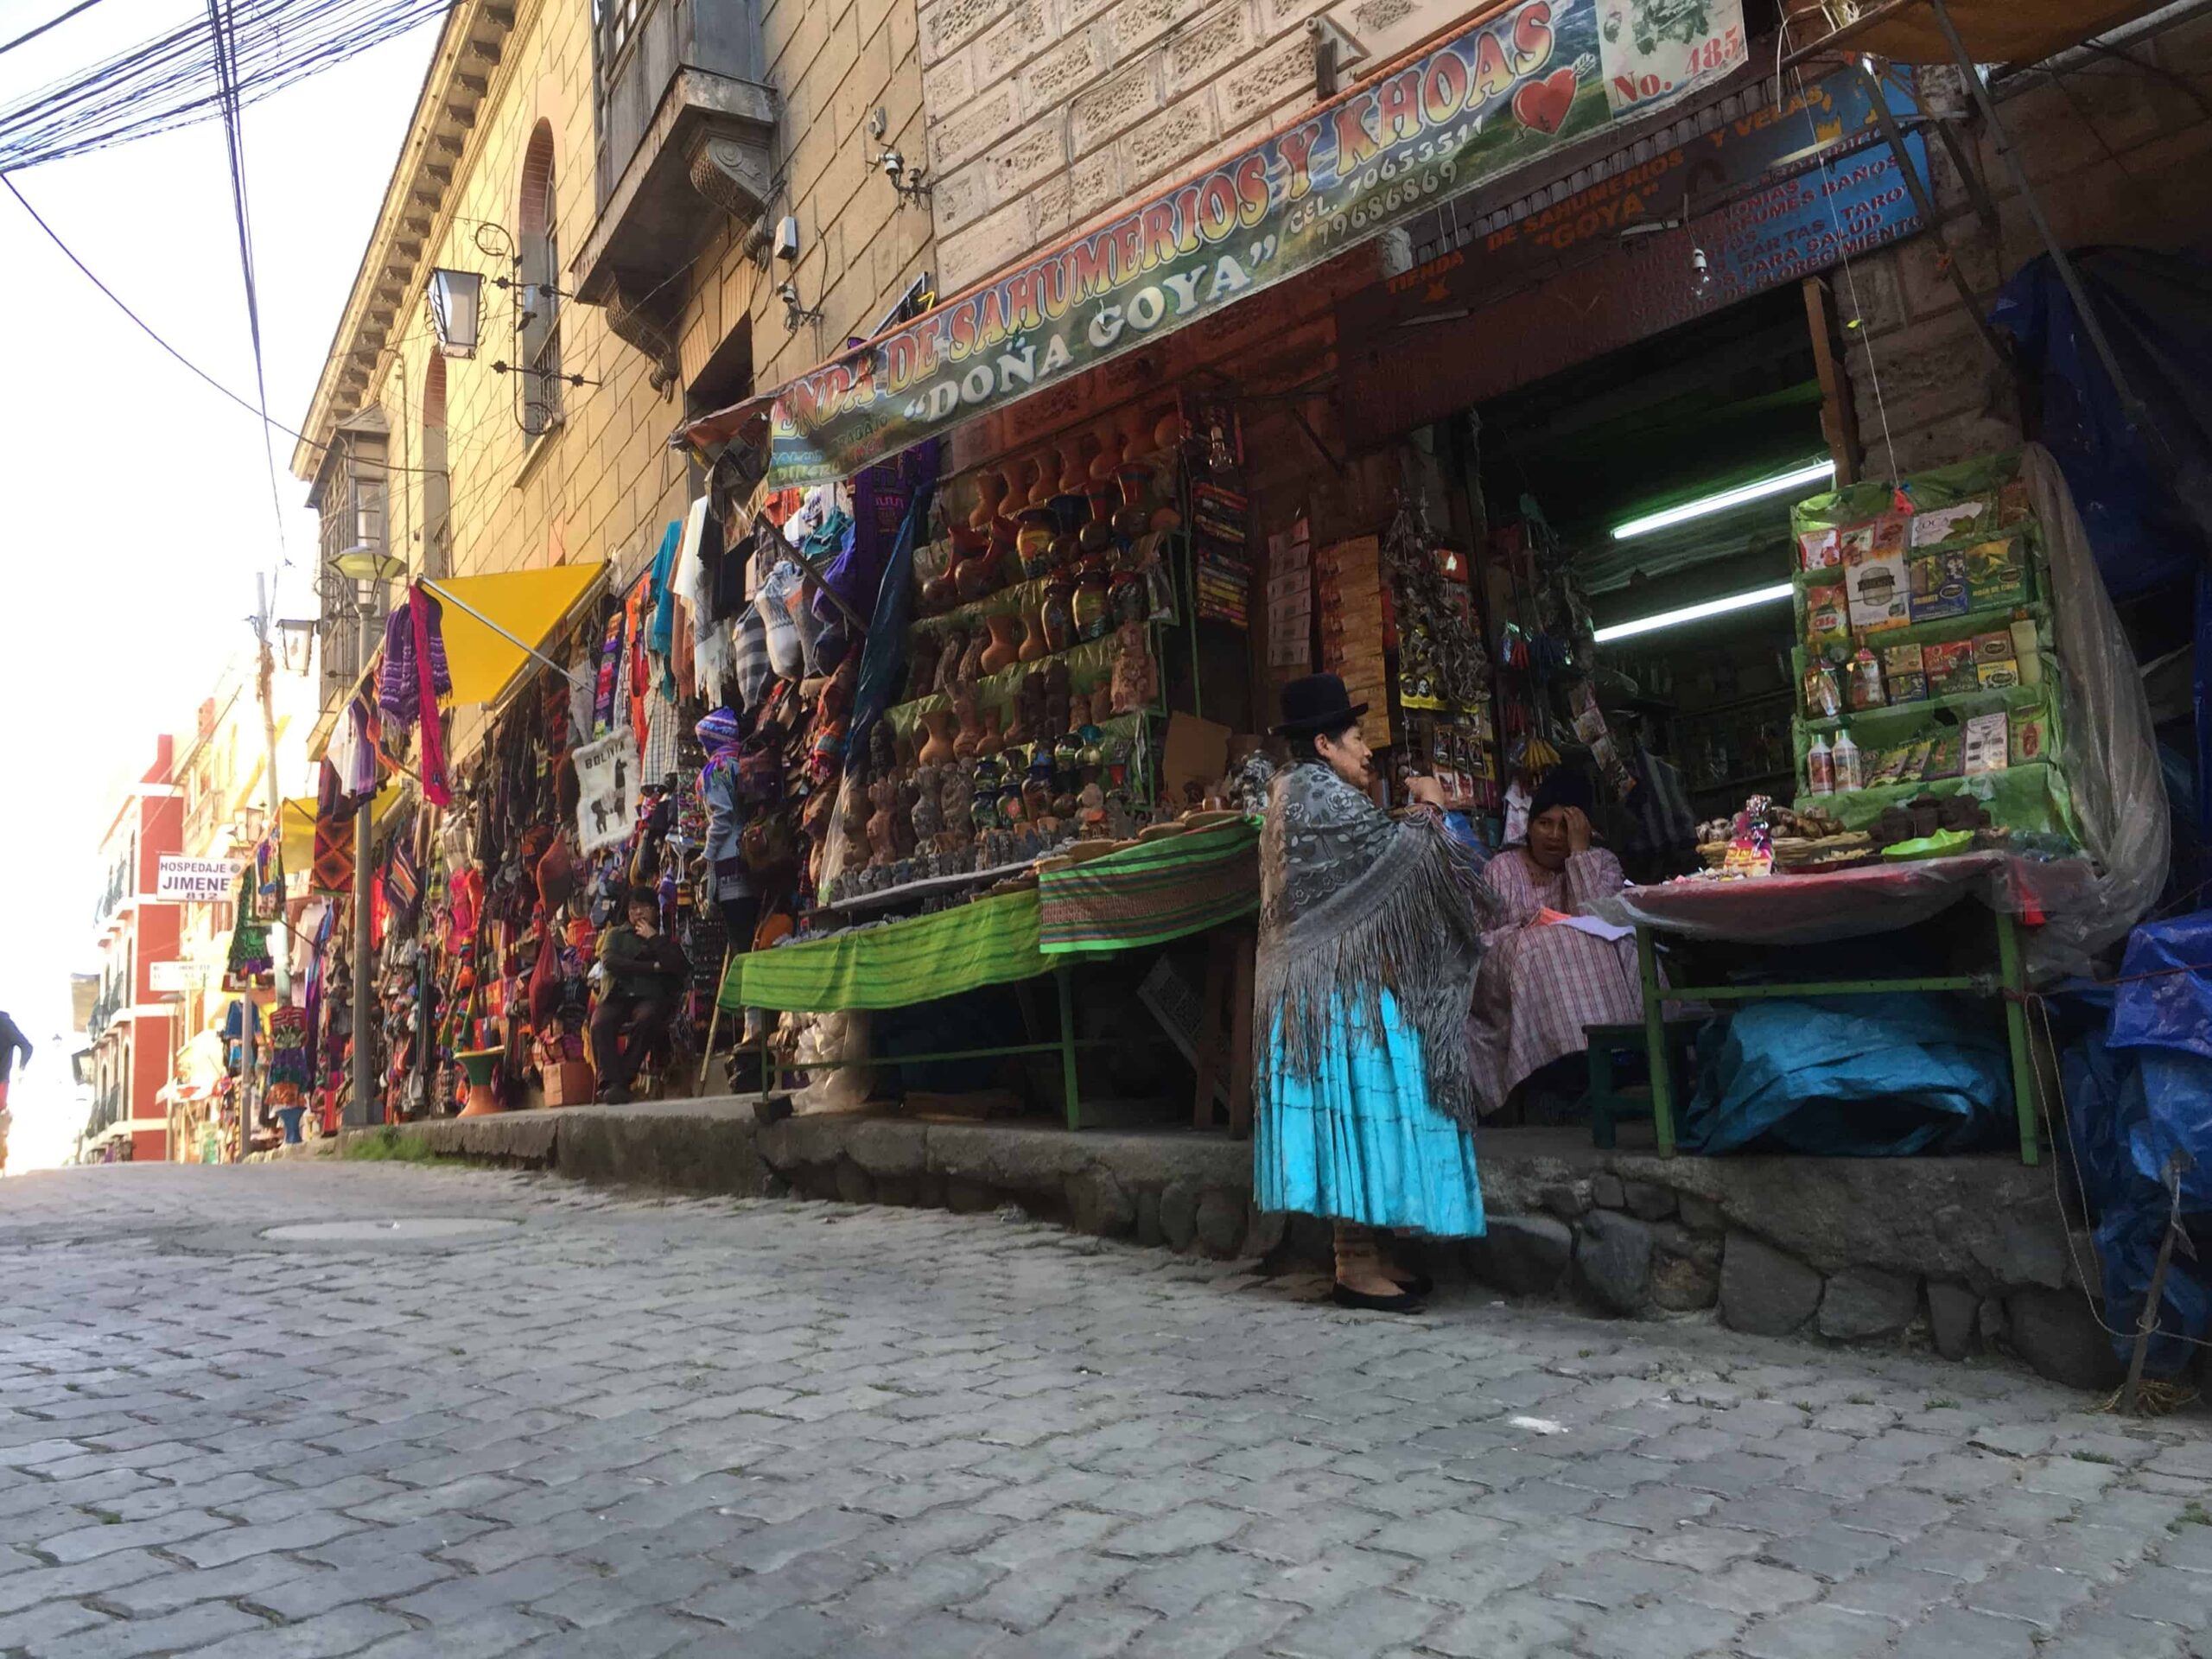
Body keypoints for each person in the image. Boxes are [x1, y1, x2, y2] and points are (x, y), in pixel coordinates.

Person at [1253, 674, 1500, 1313]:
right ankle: (1352, 1262)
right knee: (1358, 1109)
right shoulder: (1315, 797)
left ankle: (1376, 1250)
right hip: (1327, 994)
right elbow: (1401, 862)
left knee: (1376, 1106)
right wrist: (1431, 807)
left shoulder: (1308, 792)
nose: (1368, 751)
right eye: (1357, 737)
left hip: (1336, 983)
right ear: (1324, 744)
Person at [1466, 766, 1645, 1120]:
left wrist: (1579, 855)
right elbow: (1482, 940)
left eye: (1566, 826)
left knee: (1630, 949)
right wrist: (1533, 926)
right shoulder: (1503, 868)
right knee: (1547, 948)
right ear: (1529, 826)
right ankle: (1559, 1073)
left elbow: (1599, 920)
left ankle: (1622, 1059)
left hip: (1570, 963)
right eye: (1544, 823)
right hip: (1512, 974)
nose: (1552, 835)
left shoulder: (1601, 863)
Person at [591, 890, 689, 1104]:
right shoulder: (616, 935)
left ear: (655, 910)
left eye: (643, 907)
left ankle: (622, 1079)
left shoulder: (662, 939)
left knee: (648, 1019)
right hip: (616, 997)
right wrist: (652, 967)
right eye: (633, 908)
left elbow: (677, 966)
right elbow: (611, 962)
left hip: (648, 998)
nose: (638, 913)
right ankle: (609, 1083)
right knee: (600, 1023)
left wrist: (653, 938)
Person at [0, 1010, 30, 1174]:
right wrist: (21, 1068)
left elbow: (27, 1046)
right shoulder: (5, 1022)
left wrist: (21, 1068)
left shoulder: (4, 1023)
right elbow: (27, 1047)